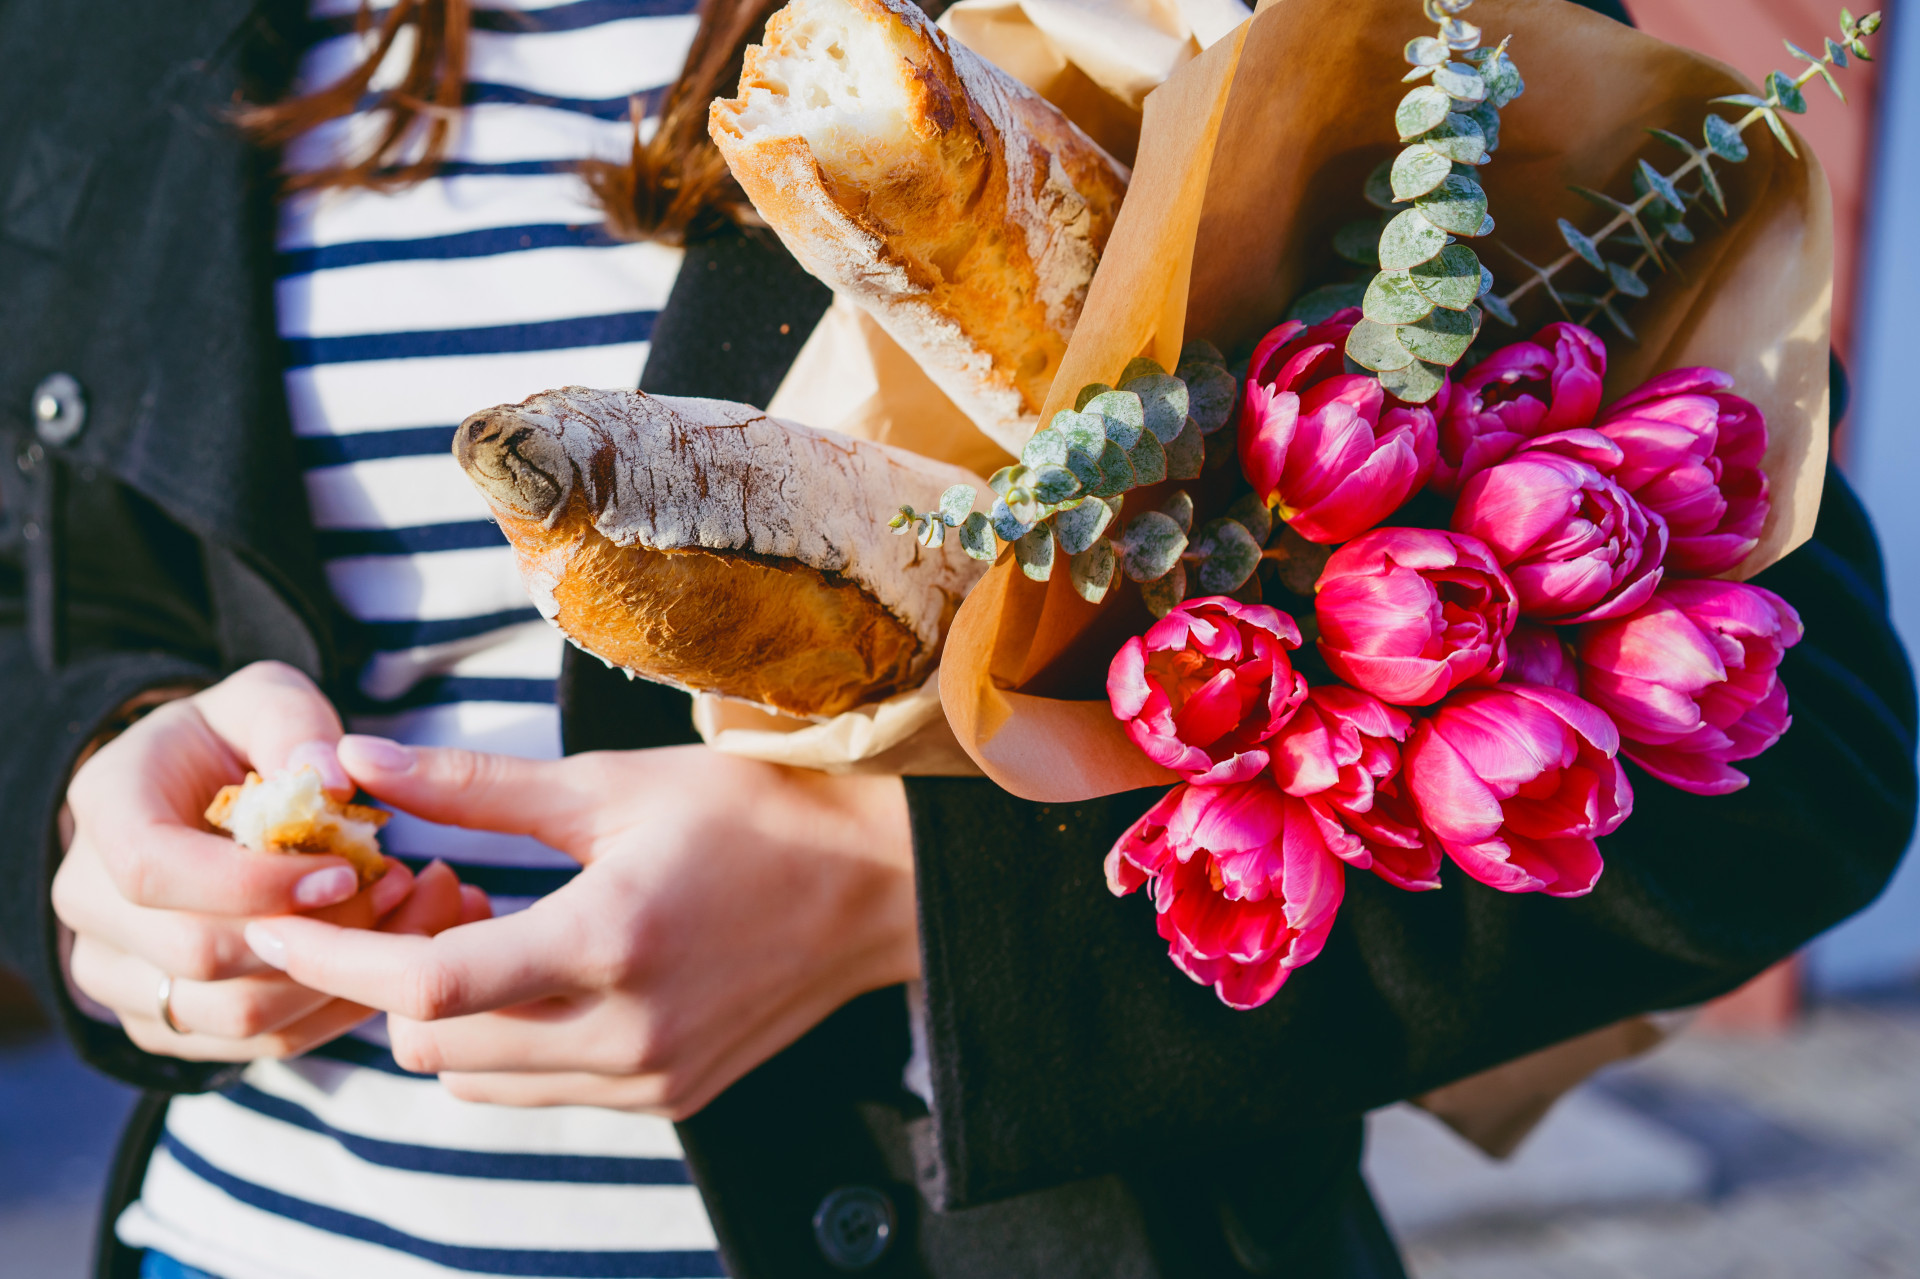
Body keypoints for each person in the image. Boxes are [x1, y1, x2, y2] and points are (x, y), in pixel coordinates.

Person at [1, 1, 1912, 1278]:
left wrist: (900, 885)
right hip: (246, 1233)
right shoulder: (114, 34)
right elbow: (57, 628)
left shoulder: (1279, 30)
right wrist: (112, 815)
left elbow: (1793, 754)